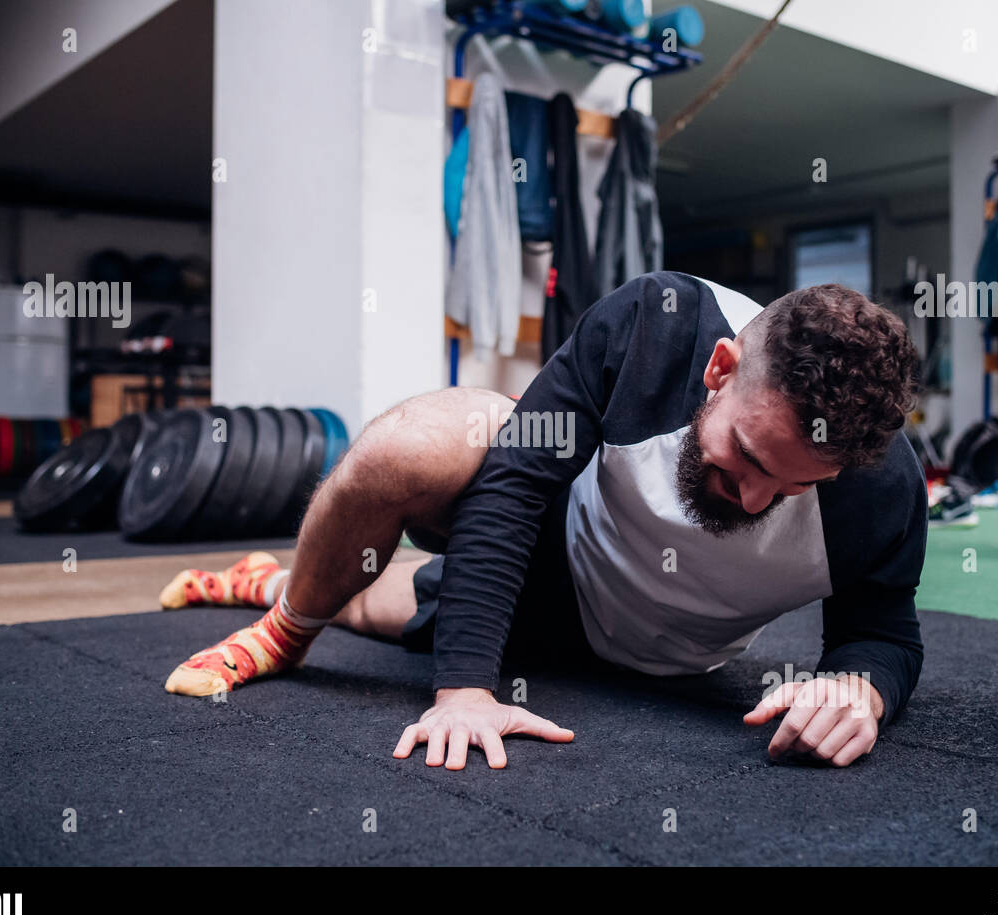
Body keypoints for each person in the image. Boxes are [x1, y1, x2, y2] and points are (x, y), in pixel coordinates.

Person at [159, 272, 926, 771]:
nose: (755, 499)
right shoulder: (653, 326)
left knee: (364, 597)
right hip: (551, 557)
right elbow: (516, 483)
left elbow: (884, 635)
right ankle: (286, 625)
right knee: (410, 448)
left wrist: (860, 689)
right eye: (748, 460)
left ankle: (271, 576)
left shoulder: (880, 487)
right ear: (719, 372)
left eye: (794, 487)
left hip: (668, 652)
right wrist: (461, 692)